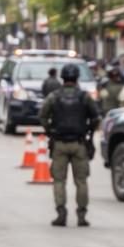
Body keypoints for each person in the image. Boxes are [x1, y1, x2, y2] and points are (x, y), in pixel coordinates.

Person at [39, 62, 101, 227]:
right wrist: (89, 132)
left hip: (59, 143)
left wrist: (50, 131)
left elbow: (43, 115)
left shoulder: (54, 96)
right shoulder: (84, 96)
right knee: (81, 181)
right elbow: (96, 117)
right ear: (76, 78)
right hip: (79, 143)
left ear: (63, 77)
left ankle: (61, 213)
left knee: (59, 180)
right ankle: (81, 215)